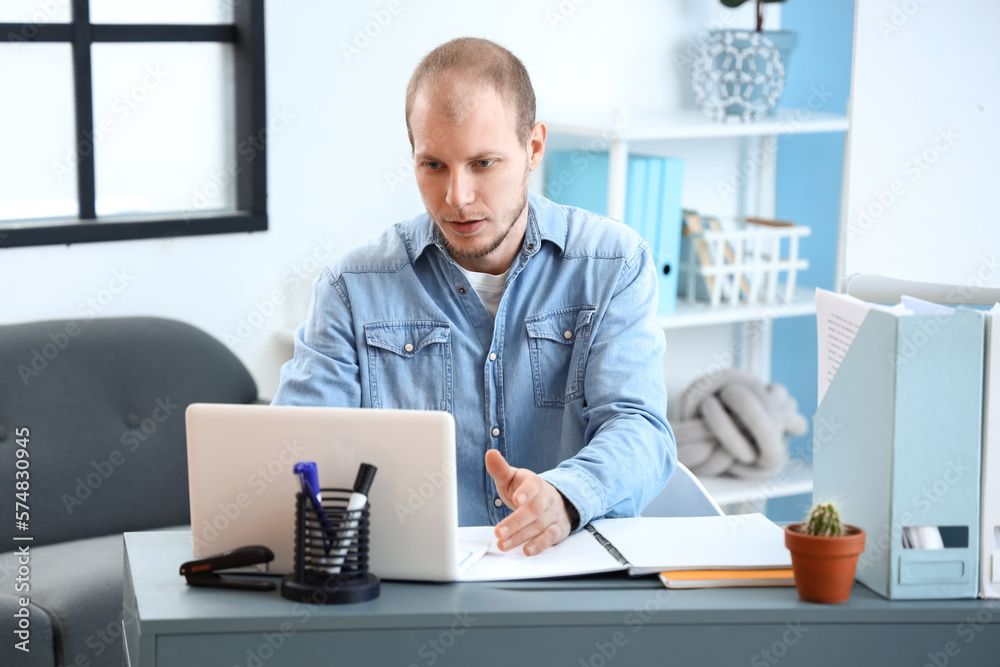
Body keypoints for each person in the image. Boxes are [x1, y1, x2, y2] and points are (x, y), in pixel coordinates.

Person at [272, 37, 675, 557]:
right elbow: (296, 456)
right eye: (433, 165)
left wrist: (566, 497)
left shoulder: (613, 263)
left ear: (533, 147)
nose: (456, 198)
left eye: (483, 163)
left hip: (568, 572)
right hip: (410, 589)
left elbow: (640, 427)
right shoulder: (351, 288)